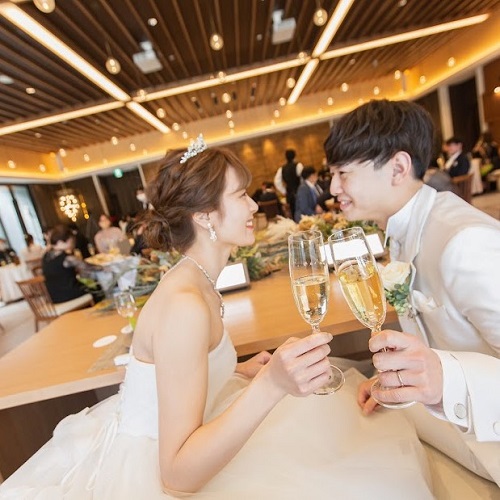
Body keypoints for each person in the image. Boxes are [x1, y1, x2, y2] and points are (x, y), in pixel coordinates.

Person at [0, 137, 433, 498]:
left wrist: (236, 369)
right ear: (205, 215)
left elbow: (178, 372)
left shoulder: (197, 278)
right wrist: (270, 384)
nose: (254, 205)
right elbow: (175, 476)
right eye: (241, 195)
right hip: (160, 466)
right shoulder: (185, 304)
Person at [324, 98, 500, 486]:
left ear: (398, 168)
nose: (333, 187)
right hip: (456, 420)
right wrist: (402, 381)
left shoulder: (465, 242)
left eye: (343, 173)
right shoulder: (404, 229)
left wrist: (441, 378)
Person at [41, 224, 93, 304]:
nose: (74, 244)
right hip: (70, 295)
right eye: (72, 241)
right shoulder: (66, 258)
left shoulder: (46, 256)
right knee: (96, 289)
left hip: (55, 297)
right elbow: (88, 268)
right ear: (63, 241)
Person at [280, 149, 303, 218]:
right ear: (294, 156)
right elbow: (303, 178)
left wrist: (284, 191)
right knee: (302, 210)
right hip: (299, 191)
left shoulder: (282, 168)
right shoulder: (298, 165)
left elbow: (276, 181)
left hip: (289, 193)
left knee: (293, 211)